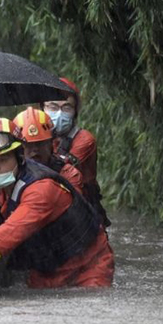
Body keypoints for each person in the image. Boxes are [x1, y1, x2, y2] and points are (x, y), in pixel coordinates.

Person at [0, 117, 114, 288]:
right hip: (44, 271)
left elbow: (10, 233)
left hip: (88, 269)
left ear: (19, 157)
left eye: (3, 160)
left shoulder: (41, 189)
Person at [43, 77, 109, 226]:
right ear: (42, 108)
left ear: (75, 112)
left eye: (66, 108)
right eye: (52, 107)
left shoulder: (84, 139)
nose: (59, 114)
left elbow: (59, 170)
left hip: (82, 210)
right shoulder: (36, 137)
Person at [12, 106, 83, 192]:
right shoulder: (10, 176)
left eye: (40, 143)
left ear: (51, 144)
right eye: (28, 145)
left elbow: (76, 202)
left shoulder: (68, 174)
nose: (35, 149)